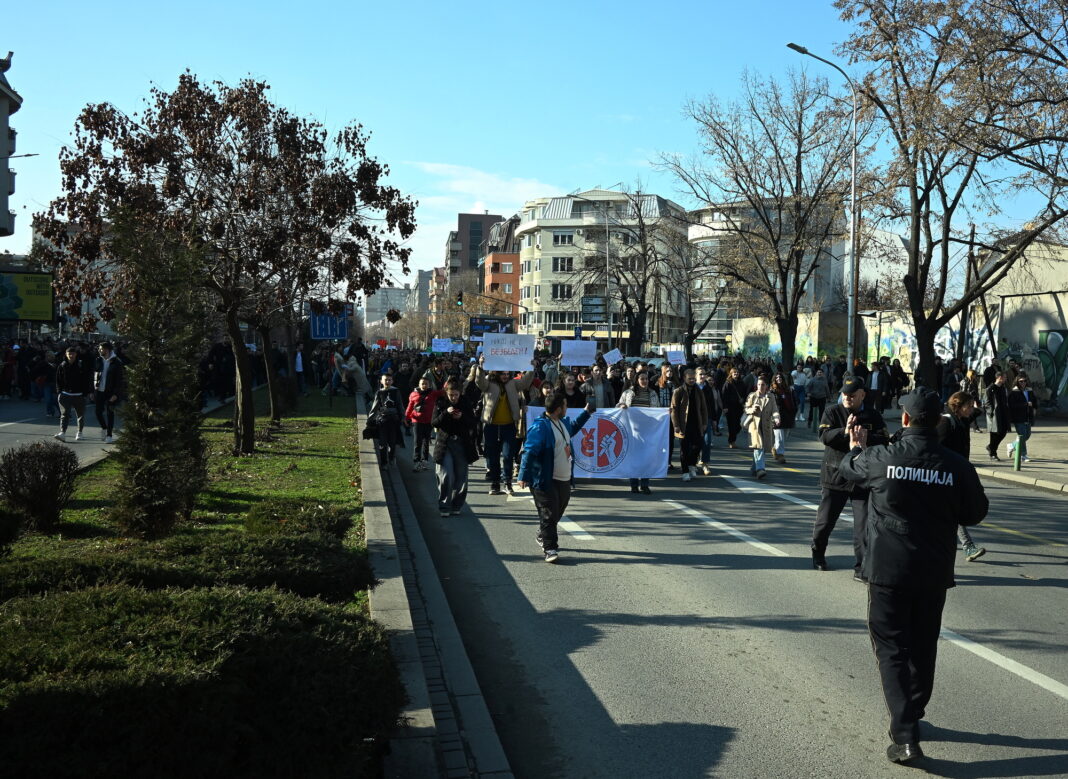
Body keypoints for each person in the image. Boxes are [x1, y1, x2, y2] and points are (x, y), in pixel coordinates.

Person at [838, 387, 988, 764]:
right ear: (939, 420)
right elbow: (975, 513)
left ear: (904, 419)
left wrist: (857, 446)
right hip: (933, 569)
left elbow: (848, 471)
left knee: (890, 648)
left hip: (888, 570)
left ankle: (905, 734)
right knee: (923, 645)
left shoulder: (881, 457)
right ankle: (914, 714)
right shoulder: (955, 464)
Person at [812, 376, 889, 578]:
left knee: (863, 526)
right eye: (844, 394)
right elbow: (824, 437)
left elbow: (884, 440)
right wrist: (844, 432)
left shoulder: (872, 415)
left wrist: (866, 438)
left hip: (862, 479)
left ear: (862, 394)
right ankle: (818, 553)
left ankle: (861, 567)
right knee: (825, 521)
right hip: (835, 475)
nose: (847, 398)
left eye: (852, 395)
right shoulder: (832, 411)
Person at [517, 392, 594, 563]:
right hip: (545, 479)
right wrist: (523, 475)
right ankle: (550, 548)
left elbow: (572, 428)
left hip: (564, 478)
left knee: (559, 509)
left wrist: (586, 412)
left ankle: (543, 534)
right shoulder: (541, 427)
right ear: (559, 409)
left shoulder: (561, 422)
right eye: (565, 406)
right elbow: (529, 452)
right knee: (549, 513)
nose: (567, 408)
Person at [937, 391, 988, 561]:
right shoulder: (945, 422)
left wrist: (976, 405)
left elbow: (976, 413)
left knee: (951, 511)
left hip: (959, 471)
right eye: (968, 406)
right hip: (947, 474)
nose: (971, 409)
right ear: (958, 406)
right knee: (954, 510)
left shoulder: (962, 419)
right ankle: (968, 546)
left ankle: (954, 543)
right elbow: (937, 449)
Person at [474, 356, 535, 496]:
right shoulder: (489, 383)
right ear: (497, 373)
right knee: (493, 456)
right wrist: (481, 367)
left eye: (508, 374)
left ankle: (507, 482)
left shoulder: (513, 384)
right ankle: (495, 483)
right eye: (503, 374)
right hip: (491, 426)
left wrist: (531, 368)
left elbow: (525, 383)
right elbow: (479, 382)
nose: (506, 377)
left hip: (508, 426)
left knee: (508, 456)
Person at [431, 379, 478, 516]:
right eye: (451, 395)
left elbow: (472, 423)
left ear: (460, 393)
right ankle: (444, 506)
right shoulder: (441, 403)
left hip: (462, 444)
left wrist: (462, 417)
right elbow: (434, 422)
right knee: (446, 475)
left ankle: (457, 504)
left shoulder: (465, 403)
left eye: (456, 395)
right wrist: (446, 413)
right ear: (447, 393)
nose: (454, 398)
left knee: (461, 477)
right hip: (445, 444)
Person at [617, 370, 659, 494]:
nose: (644, 381)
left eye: (646, 379)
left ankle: (645, 484)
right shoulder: (628, 393)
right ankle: (634, 484)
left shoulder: (652, 394)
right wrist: (621, 406)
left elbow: (657, 410)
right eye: (642, 379)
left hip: (647, 430)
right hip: (632, 430)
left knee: (646, 458)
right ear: (637, 380)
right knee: (633, 459)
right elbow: (618, 405)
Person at [670, 368, 708, 482]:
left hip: (697, 423)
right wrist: (676, 425)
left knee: (698, 445)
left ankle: (692, 464)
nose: (692, 380)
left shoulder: (699, 391)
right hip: (683, 425)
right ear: (684, 378)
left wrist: (705, 422)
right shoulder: (678, 391)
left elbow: (704, 408)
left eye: (693, 378)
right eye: (689, 378)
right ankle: (685, 471)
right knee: (684, 449)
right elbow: (674, 410)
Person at [54, 346, 93, 442]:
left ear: (76, 354)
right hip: (65, 394)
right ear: (66, 355)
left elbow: (87, 379)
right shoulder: (62, 365)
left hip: (79, 395)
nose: (71, 355)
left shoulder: (81, 365)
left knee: (80, 415)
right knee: (64, 414)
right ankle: (62, 433)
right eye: (69, 354)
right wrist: (59, 392)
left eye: (73, 353)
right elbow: (58, 380)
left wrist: (87, 392)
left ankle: (79, 433)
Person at [744, 377, 780, 479]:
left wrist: (777, 418)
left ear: (767, 386)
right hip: (755, 426)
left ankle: (754, 468)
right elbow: (746, 408)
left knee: (762, 449)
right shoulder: (752, 396)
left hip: (766, 426)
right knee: (758, 447)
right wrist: (752, 409)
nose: (760, 387)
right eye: (759, 384)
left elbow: (775, 410)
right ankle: (760, 469)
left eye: (763, 384)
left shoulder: (771, 396)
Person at [92, 341, 124, 443]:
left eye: (101, 349)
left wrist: (116, 394)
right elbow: (93, 376)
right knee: (98, 412)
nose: (99, 350)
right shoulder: (98, 360)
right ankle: (104, 428)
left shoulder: (116, 362)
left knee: (110, 413)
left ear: (107, 349)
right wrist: (91, 391)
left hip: (111, 392)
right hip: (99, 390)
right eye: (99, 349)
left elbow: (119, 380)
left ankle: (109, 435)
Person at [368, 373, 402, 466]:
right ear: (381, 381)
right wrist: (370, 419)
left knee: (392, 442)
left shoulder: (396, 391)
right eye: (385, 380)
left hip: (393, 420)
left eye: (389, 380)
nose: (387, 381)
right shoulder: (379, 392)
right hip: (382, 420)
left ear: (392, 381)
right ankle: (384, 462)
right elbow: (375, 407)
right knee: (382, 443)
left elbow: (400, 405)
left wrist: (403, 418)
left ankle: (391, 457)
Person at [405, 376, 439, 471]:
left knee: (426, 442)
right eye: (422, 383)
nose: (424, 385)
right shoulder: (413, 394)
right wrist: (406, 418)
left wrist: (448, 381)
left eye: (426, 384)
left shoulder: (433, 393)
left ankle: (425, 461)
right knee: (417, 442)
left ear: (429, 385)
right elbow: (409, 407)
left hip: (428, 421)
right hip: (416, 421)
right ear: (419, 385)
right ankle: (416, 461)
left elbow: (444, 392)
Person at [1006, 374, 1037, 462]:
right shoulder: (1014, 392)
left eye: (1024, 381)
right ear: (1017, 382)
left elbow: (1034, 401)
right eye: (1021, 381)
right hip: (1018, 417)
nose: (1023, 383)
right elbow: (1012, 405)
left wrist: (1035, 408)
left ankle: (1012, 445)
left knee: (1027, 435)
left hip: (1028, 416)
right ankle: (1023, 455)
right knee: (1022, 436)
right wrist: (1025, 404)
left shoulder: (1029, 390)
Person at [695, 367, 720, 475]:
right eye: (700, 374)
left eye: (704, 374)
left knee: (707, 441)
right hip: (694, 418)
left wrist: (714, 419)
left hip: (706, 418)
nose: (702, 376)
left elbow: (711, 405)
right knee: (695, 442)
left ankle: (705, 463)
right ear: (696, 375)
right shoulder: (692, 387)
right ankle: (693, 462)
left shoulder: (708, 388)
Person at [769, 374, 795, 464]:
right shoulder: (772, 391)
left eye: (780, 377)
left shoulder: (788, 390)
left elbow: (794, 401)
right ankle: (780, 454)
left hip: (787, 416)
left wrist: (794, 411)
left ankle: (775, 448)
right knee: (779, 437)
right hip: (777, 416)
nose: (778, 379)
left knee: (784, 436)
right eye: (776, 377)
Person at [984, 371, 1010, 460]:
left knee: (1003, 432)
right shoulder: (990, 388)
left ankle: (990, 446)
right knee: (994, 434)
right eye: (1005, 377)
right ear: (999, 377)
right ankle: (993, 454)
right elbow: (987, 402)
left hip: (1003, 414)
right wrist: (991, 413)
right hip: (994, 415)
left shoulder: (1003, 388)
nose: (1006, 379)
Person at [722, 367, 747, 449]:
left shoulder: (742, 383)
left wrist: (743, 399)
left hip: (739, 407)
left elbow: (745, 394)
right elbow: (724, 395)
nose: (736, 374)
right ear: (731, 374)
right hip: (730, 407)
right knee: (731, 425)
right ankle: (732, 441)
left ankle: (732, 435)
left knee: (739, 425)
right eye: (734, 373)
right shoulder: (728, 383)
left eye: (737, 373)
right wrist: (725, 407)